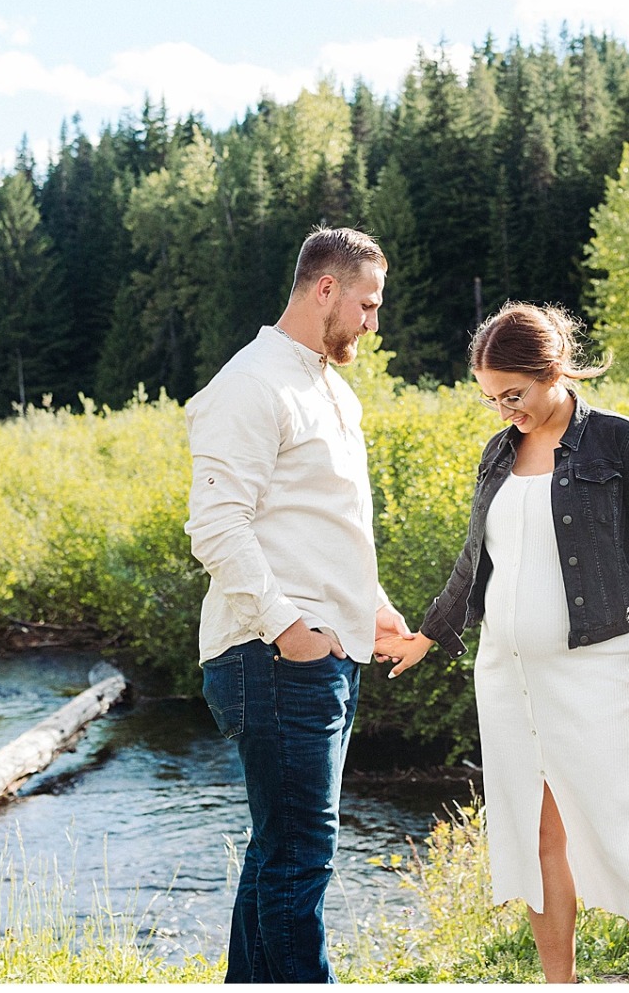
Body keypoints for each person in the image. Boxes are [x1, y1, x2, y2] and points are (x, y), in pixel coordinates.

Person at [378, 302, 629, 984]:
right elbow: (476, 559)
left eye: (514, 393)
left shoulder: (620, 442)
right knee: (536, 840)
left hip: (595, 671)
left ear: (553, 369)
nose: (505, 410)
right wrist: (427, 633)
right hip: (505, 674)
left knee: (617, 840)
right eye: (491, 398)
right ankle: (557, 982)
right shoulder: (498, 453)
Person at [185, 226, 412, 984]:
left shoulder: (331, 389)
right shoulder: (250, 383)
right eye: (367, 304)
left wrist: (370, 607)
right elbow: (215, 524)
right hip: (274, 656)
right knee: (300, 857)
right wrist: (291, 630)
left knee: (281, 853)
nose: (372, 323)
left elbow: (326, 526)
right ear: (325, 289)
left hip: (322, 656)